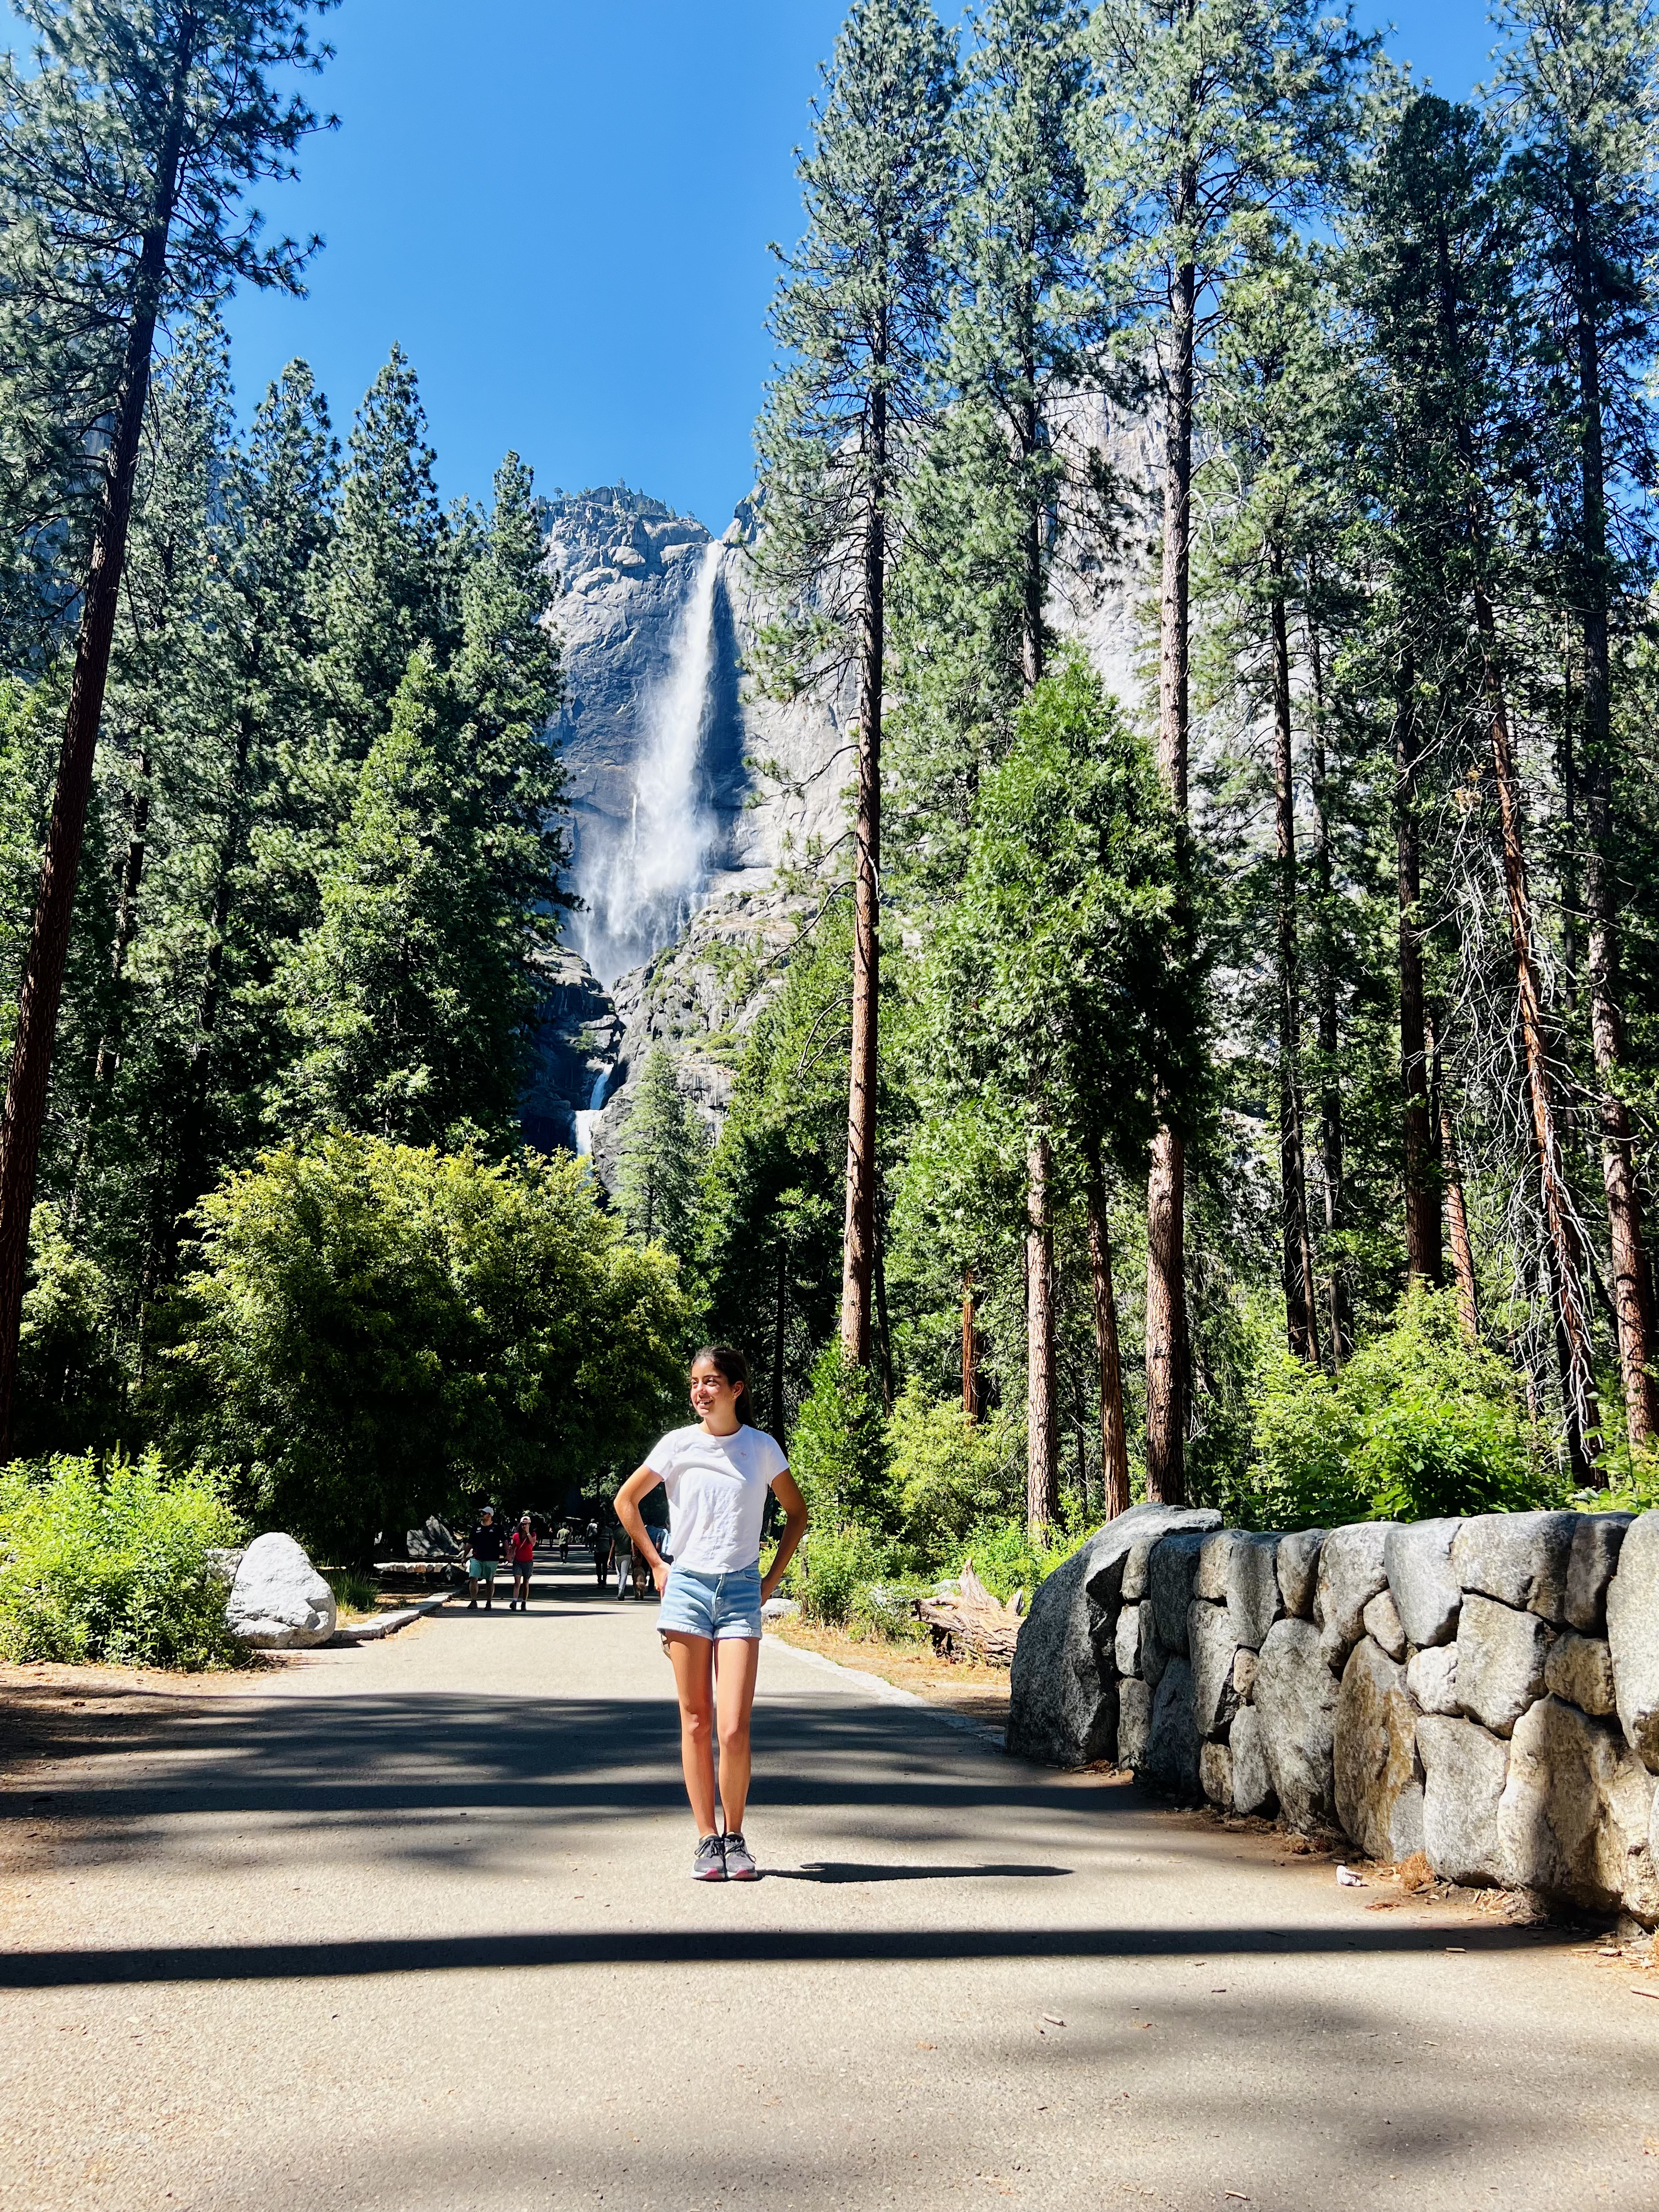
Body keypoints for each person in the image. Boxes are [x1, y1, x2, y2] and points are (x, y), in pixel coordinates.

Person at [614, 1344, 808, 1882]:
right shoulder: (676, 1445)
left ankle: (736, 1838)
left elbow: (797, 1514)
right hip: (687, 1589)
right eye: (696, 1382)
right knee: (697, 1721)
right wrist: (656, 1564)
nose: (701, 1391)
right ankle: (706, 1839)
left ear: (736, 1390)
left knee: (734, 1728)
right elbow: (626, 1501)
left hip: (742, 1590)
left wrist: (769, 1580)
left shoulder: (761, 1448)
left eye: (713, 1381)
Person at [466, 1505, 503, 1610]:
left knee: (489, 1580)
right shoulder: (476, 1527)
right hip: (477, 1558)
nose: (482, 1515)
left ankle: (489, 1602)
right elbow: (470, 1543)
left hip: (492, 1559)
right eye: (482, 1513)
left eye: (484, 1513)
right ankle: (473, 1601)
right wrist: (464, 1556)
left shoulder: (497, 1528)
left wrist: (508, 1554)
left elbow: (505, 1541)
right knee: (473, 1577)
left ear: (490, 1515)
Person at [507, 1513, 536, 1611]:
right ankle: (514, 1601)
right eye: (523, 1524)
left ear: (529, 1525)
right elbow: (513, 1547)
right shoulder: (516, 1536)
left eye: (527, 1524)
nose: (524, 1526)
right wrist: (510, 1556)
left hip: (528, 1562)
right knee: (517, 1582)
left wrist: (528, 1533)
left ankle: (524, 1602)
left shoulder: (533, 1535)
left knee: (526, 1583)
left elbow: (532, 1544)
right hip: (518, 1561)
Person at [612, 1514, 634, 1600]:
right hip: (627, 1554)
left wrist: (610, 1558)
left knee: (619, 1574)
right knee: (624, 1574)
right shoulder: (629, 1531)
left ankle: (620, 1588)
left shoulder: (616, 1531)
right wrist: (634, 1554)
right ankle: (621, 1591)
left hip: (617, 1554)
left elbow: (613, 1546)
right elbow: (632, 1543)